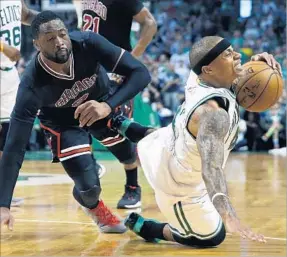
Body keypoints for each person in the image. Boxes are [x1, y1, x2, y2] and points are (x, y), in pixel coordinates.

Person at [83, 37, 281, 246]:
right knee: (213, 237)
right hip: (179, 184)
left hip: (170, 142)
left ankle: (119, 123)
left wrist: (256, 65)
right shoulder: (213, 115)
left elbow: (230, 77)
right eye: (229, 54)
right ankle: (150, 228)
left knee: (167, 135)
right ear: (209, 69)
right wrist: (229, 215)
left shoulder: (198, 76)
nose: (238, 56)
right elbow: (211, 169)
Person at [0, 11, 151, 233]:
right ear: (37, 45)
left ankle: (131, 178)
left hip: (101, 106)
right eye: (50, 39)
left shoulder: (88, 42)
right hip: (63, 123)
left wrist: (107, 106)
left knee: (128, 155)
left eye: (62, 34)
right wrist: (3, 205)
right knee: (89, 189)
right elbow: (14, 146)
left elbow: (141, 73)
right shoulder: (31, 85)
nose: (60, 42)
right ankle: (94, 207)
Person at [73, 0, 157, 209]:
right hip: (89, 68)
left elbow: (149, 22)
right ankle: (90, 164)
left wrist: (132, 56)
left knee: (112, 130)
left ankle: (132, 186)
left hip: (115, 71)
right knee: (75, 116)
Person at [0, 0, 39, 207]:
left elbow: (25, 14)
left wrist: (45, 21)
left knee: (8, 137)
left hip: (9, 73)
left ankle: (1, 192)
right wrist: (1, 45)